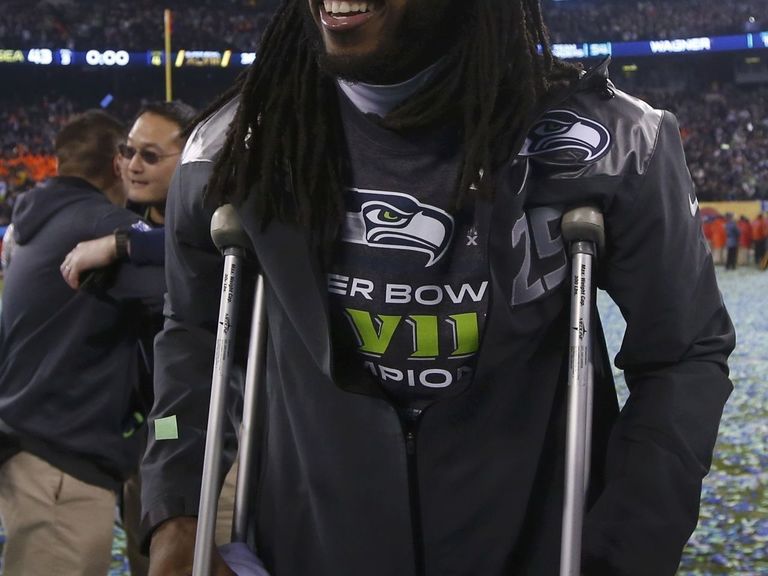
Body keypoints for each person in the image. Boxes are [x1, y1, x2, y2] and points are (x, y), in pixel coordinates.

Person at [142, 1, 735, 575]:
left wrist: (628, 549)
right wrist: (173, 511)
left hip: (534, 548)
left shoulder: (615, 145)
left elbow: (682, 357)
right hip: (310, 544)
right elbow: (192, 342)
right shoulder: (232, 149)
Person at [0, 110, 165, 576]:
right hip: (63, 463)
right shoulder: (98, 225)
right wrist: (131, 243)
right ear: (118, 164)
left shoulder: (39, 217)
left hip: (36, 444)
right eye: (133, 154)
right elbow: (193, 288)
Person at [60, 101, 198, 576]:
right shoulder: (117, 220)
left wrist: (123, 246)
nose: (133, 165)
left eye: (150, 155)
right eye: (129, 151)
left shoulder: (215, 222)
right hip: (151, 429)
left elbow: (196, 238)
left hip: (219, 434)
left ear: (191, 158)